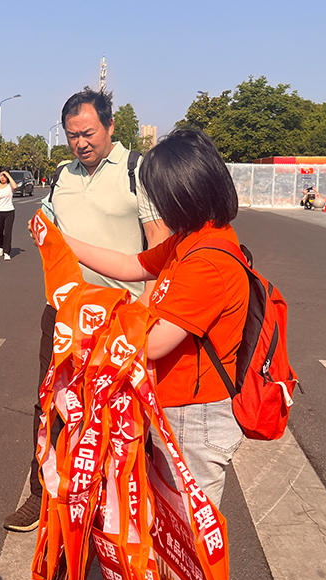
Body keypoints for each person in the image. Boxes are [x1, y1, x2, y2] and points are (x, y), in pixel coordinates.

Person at [3, 87, 169, 532]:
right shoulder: (62, 174)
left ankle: (127, 501)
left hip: (122, 313)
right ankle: (42, 495)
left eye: (88, 132)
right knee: (51, 403)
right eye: (72, 135)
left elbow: (158, 244)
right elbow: (48, 222)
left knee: (122, 410)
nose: (81, 142)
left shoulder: (140, 170)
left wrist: (149, 311)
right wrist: (42, 227)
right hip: (65, 312)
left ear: (111, 127)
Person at [56, 129, 248, 508]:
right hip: (173, 408)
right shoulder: (189, 240)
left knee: (188, 532)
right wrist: (63, 242)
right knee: (166, 525)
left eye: (159, 196)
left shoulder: (208, 260)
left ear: (184, 194)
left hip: (195, 417)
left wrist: (94, 326)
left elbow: (156, 342)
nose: (156, 206)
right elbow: (131, 264)